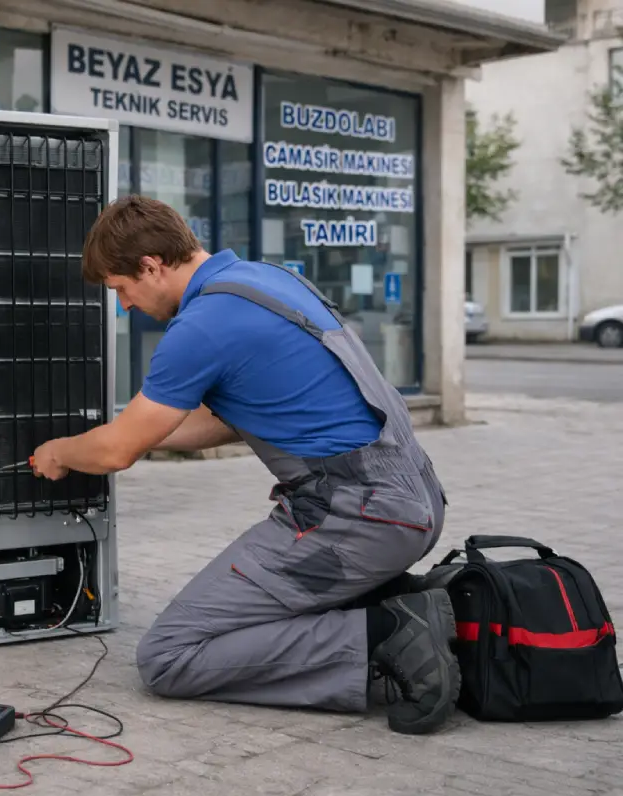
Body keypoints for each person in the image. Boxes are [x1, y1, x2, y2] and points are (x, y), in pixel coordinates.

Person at [28, 195, 458, 736]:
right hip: (413, 501)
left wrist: (60, 452)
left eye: (121, 289)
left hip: (356, 519)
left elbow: (116, 452)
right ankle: (410, 610)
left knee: (169, 655)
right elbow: (224, 422)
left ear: (151, 266)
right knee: (248, 618)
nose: (125, 306)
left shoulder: (202, 325)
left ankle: (387, 630)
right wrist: (140, 433)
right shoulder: (266, 281)